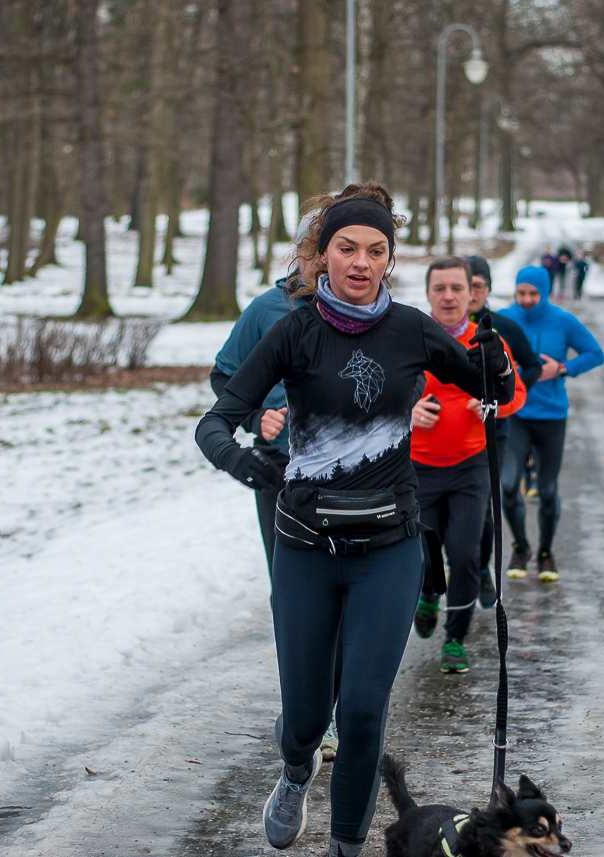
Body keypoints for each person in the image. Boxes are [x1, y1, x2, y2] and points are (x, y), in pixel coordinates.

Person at [195, 183, 515, 857]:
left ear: (389, 260)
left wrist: (494, 367)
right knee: (305, 719)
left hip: (388, 547)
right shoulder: (293, 330)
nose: (361, 261)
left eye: (375, 250)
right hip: (306, 547)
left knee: (364, 712)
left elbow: (488, 386)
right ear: (324, 255)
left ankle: (346, 845)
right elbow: (215, 419)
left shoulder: (411, 328)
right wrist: (240, 459)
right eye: (347, 248)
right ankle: (294, 772)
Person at [408, 256, 527, 674]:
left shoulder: (487, 340)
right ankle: (428, 594)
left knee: (464, 553)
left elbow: (516, 393)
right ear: (427, 293)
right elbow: (379, 395)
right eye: (439, 288)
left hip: (470, 467)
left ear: (471, 293)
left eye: (457, 288)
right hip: (417, 469)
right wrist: (408, 411)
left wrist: (492, 406)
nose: (448, 296)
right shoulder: (409, 338)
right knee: (423, 553)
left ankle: (455, 639)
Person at [211, 215, 315, 576]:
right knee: (287, 582)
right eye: (311, 249)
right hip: (280, 464)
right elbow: (224, 375)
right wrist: (255, 417)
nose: (320, 260)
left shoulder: (364, 309)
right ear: (298, 251)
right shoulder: (267, 308)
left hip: (349, 470)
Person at [498, 265, 604, 582]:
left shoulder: (563, 321)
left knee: (546, 491)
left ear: (544, 293)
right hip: (515, 415)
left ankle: (545, 553)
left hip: (551, 416)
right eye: (521, 293)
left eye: (533, 294)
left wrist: (562, 368)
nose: (526, 299)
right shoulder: (503, 319)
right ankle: (521, 547)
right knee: (508, 486)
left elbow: (594, 353)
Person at [463, 254, 543, 587]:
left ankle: (482, 570)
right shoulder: (438, 328)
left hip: (493, 432)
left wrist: (507, 396)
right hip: (449, 434)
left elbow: (533, 365)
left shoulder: (504, 327)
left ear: (488, 289)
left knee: (486, 504)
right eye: (465, 285)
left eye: (478, 286)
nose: (471, 293)